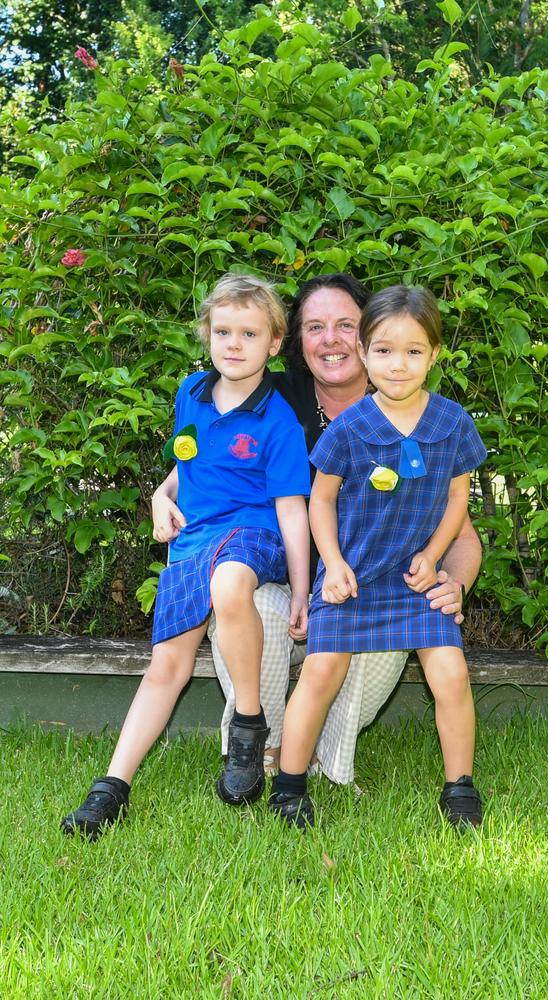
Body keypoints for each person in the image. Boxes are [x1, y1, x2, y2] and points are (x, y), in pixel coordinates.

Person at [152, 273, 484, 786]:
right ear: (292, 341)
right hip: (279, 573)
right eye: (315, 326)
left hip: (369, 579)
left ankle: (328, 752)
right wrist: (163, 492)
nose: (330, 339)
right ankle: (262, 747)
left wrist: (452, 584)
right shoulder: (271, 396)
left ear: (369, 335)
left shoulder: (410, 406)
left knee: (378, 639)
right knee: (254, 601)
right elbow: (211, 456)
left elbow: (461, 531)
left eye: (345, 325)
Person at [61, 274, 311, 838]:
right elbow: (190, 461)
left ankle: (248, 723)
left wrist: (300, 590)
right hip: (193, 538)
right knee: (166, 667)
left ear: (274, 343)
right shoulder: (191, 393)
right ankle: (112, 789)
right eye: (222, 331)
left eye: (249, 333)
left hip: (254, 535)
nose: (233, 344)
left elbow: (293, 511)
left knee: (229, 586)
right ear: (206, 335)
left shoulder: (279, 422)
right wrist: (160, 495)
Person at [269, 285, 487, 829]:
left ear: (435, 355)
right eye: (385, 351)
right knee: (320, 673)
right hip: (354, 577)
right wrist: (333, 565)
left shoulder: (453, 423)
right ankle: (289, 786)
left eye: (414, 351)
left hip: (415, 582)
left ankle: (459, 787)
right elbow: (319, 499)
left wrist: (436, 557)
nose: (399, 364)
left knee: (451, 673)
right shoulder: (350, 427)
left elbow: (458, 498)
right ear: (365, 354)